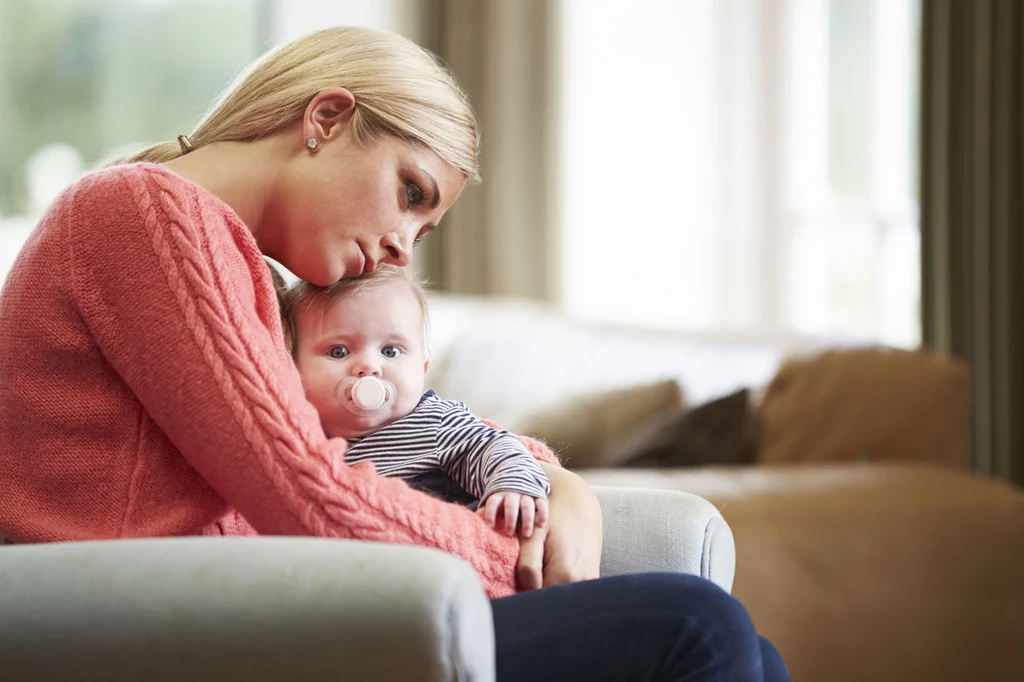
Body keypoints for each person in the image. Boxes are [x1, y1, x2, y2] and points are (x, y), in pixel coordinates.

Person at [0, 25, 789, 681]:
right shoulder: (143, 214)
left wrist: (546, 478)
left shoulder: (237, 267)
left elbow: (381, 432)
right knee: (697, 626)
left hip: (255, 610)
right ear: (327, 119)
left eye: (424, 228)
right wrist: (510, 548)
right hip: (174, 635)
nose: (401, 248)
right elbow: (308, 492)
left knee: (752, 651)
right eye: (411, 192)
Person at [281, 265, 549, 537]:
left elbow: (493, 445)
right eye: (339, 351)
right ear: (293, 366)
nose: (369, 366)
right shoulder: (300, 438)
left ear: (421, 370)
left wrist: (511, 485)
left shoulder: (435, 422)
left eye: (390, 350)